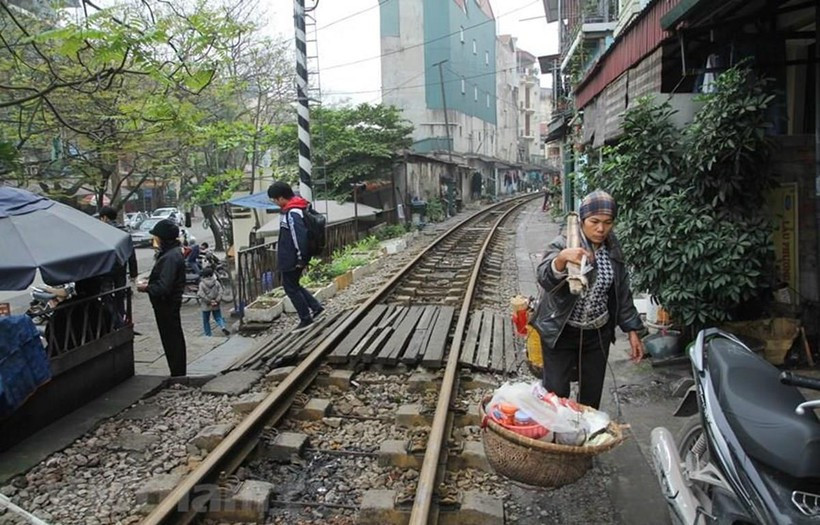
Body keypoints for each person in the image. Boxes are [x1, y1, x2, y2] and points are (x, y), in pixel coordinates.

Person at [531, 190, 645, 409]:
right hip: (561, 331)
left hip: (597, 333)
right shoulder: (564, 243)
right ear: (583, 220)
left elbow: (622, 292)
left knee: (591, 397)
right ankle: (557, 431)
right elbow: (544, 276)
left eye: (608, 222)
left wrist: (632, 330)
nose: (601, 229)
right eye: (594, 222)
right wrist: (561, 260)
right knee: (556, 395)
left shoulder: (613, 249)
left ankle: (585, 430)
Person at [267, 181, 324, 331]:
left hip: (292, 257)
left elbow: (298, 237)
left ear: (281, 198)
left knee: (290, 288)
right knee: (294, 285)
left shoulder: (292, 212)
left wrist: (300, 258)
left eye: (274, 199)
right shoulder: (299, 206)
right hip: (294, 256)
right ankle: (316, 307)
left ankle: (306, 318)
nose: (274, 202)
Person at [136, 219, 187, 376]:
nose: (154, 240)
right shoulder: (171, 254)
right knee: (173, 338)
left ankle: (178, 373)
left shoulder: (170, 257)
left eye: (156, 237)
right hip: (167, 304)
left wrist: (147, 288)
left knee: (172, 339)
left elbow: (164, 287)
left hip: (167, 304)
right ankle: (177, 372)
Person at [99, 206, 138, 325]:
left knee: (107, 296)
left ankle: (115, 321)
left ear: (104, 218)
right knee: (120, 295)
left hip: (106, 270)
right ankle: (122, 317)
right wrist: (133, 273)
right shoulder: (124, 232)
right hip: (121, 268)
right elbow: (131, 253)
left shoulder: (102, 231)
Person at [197, 267, 230, 337]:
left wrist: (209, 300)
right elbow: (221, 291)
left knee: (206, 320)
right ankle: (222, 326)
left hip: (206, 305)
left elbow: (201, 294)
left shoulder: (202, 284)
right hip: (216, 304)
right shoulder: (216, 282)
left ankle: (208, 334)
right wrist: (217, 300)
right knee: (218, 317)